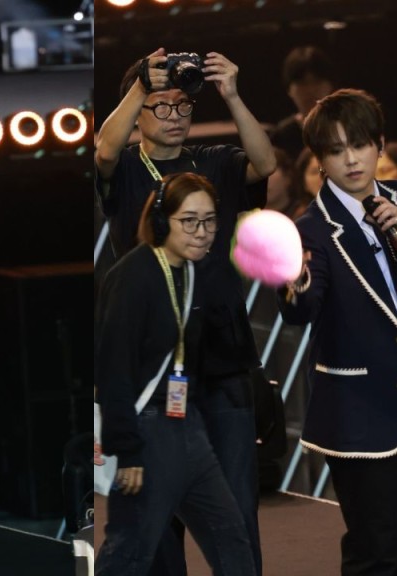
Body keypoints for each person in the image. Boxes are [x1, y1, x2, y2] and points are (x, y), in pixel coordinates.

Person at [95, 47, 276, 576]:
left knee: (236, 509)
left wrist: (232, 95)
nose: (174, 116)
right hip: (157, 368)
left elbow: (265, 164)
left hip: (222, 357)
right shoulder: (128, 169)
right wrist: (140, 85)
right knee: (154, 517)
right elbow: (104, 150)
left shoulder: (213, 162)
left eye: (182, 106)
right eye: (161, 106)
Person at [277, 88, 397, 575]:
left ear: (379, 145)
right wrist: (293, 278)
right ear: (320, 160)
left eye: (359, 144)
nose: (351, 160)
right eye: (336, 150)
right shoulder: (310, 229)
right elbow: (301, 310)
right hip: (360, 413)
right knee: (375, 550)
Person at [95, 172, 255, 576]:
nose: (202, 232)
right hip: (146, 430)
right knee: (131, 552)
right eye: (189, 221)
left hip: (187, 426)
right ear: (161, 220)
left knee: (232, 540)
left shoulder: (194, 271)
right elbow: (114, 368)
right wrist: (127, 450)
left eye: (210, 220)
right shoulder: (133, 275)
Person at [270, 45, 337, 159]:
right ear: (289, 90)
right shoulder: (281, 137)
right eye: (302, 83)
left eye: (317, 82)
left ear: (330, 85)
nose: (310, 90)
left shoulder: (349, 127)